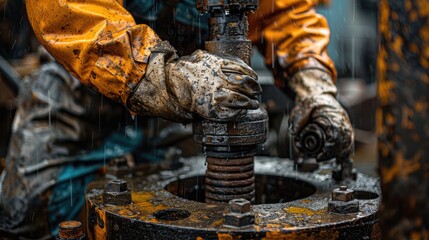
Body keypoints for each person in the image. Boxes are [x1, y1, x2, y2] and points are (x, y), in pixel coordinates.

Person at [0, 0, 354, 238]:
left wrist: (313, 84)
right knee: (28, 215)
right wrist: (162, 78)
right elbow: (68, 9)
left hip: (195, 97)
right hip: (84, 81)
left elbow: (282, 12)